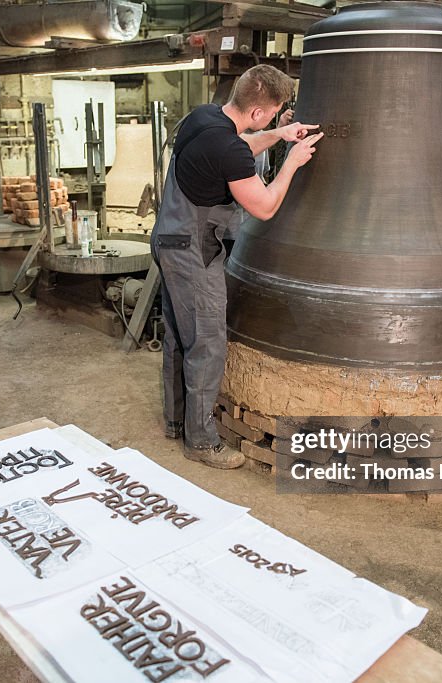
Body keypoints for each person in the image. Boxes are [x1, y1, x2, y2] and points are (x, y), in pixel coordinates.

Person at [151, 64, 323, 469]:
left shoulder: (205, 117)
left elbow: (238, 148)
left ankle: (177, 421)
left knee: (179, 336)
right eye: (274, 115)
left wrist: (279, 135)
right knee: (207, 346)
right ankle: (202, 443)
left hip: (167, 239)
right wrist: (291, 162)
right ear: (259, 112)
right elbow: (263, 206)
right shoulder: (228, 148)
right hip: (194, 252)